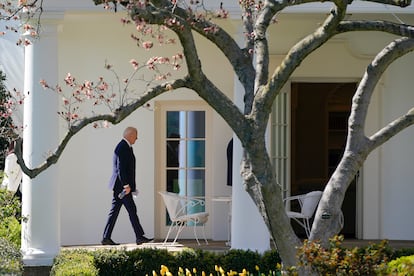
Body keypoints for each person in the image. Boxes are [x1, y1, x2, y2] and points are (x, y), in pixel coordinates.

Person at [102, 127, 152, 245]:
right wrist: (126, 185)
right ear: (130, 135)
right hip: (122, 187)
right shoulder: (122, 147)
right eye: (136, 135)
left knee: (116, 212)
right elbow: (121, 169)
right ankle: (139, 236)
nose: (137, 138)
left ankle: (106, 237)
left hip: (121, 186)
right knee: (131, 210)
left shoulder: (126, 147)